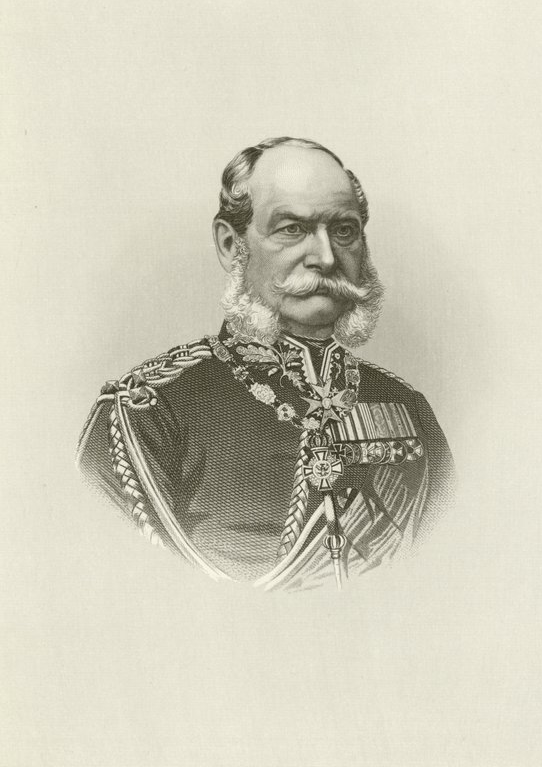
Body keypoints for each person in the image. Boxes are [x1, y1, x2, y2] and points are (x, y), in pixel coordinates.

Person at [77, 137, 454, 591]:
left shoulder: (408, 407)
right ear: (230, 244)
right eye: (292, 229)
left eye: (344, 230)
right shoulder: (146, 410)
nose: (326, 257)